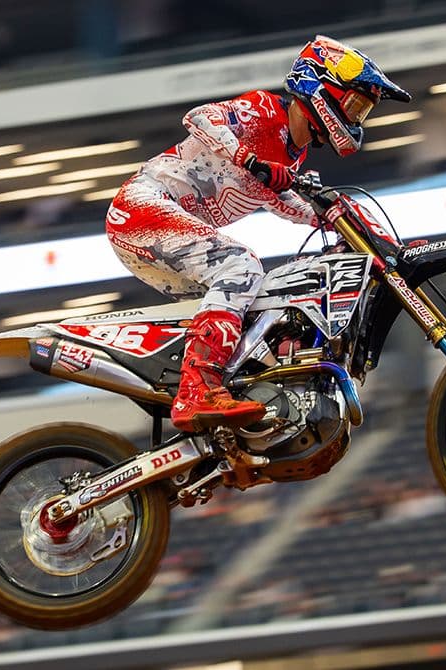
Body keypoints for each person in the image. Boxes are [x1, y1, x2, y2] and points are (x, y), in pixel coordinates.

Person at [106, 35, 410, 432]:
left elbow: (285, 202)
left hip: (158, 231)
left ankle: (214, 400)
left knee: (255, 303)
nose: (356, 119)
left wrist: (354, 230)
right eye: (355, 105)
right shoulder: (265, 110)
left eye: (362, 111)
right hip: (143, 206)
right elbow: (199, 117)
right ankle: (197, 390)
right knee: (241, 265)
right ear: (323, 88)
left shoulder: (293, 154)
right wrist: (248, 159)